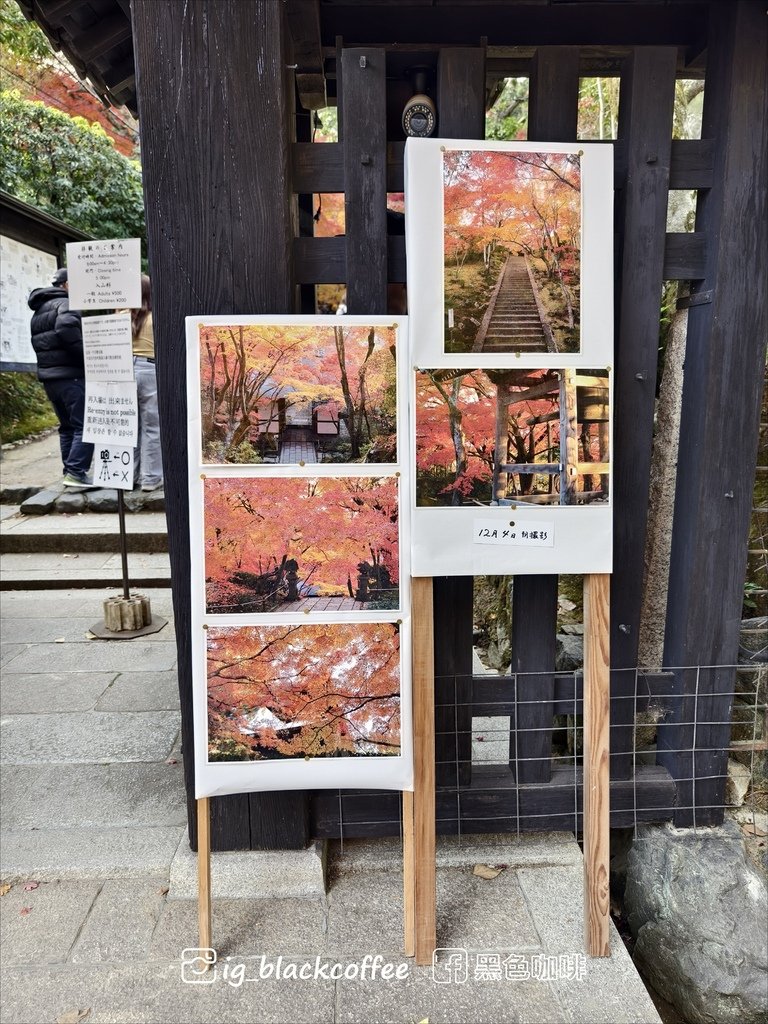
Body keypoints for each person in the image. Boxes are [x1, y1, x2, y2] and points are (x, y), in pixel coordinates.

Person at [28, 267, 95, 489]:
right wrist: (88, 356)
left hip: (50, 378)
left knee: (67, 427)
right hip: (71, 376)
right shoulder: (66, 304)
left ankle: (69, 471)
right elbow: (66, 328)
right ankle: (76, 472)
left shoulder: (39, 310)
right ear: (66, 285)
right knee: (84, 425)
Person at [123, 275, 163, 491]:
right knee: (151, 426)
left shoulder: (121, 316)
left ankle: (127, 476)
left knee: (129, 427)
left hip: (123, 369)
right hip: (149, 369)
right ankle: (150, 478)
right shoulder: (154, 318)